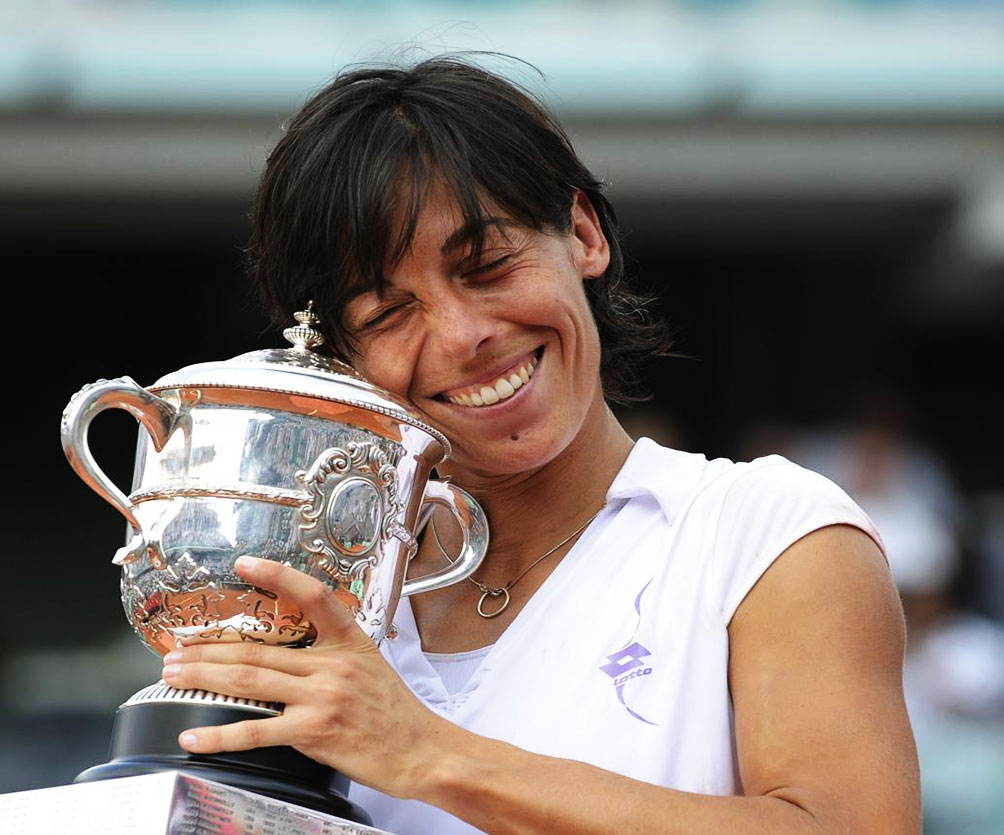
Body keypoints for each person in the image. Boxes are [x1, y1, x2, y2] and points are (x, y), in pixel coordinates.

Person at [157, 57, 920, 833]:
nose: (463, 336)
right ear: (340, 359)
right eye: (389, 312)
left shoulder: (768, 535)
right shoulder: (313, 602)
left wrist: (434, 756)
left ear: (583, 235)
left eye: (487, 265)